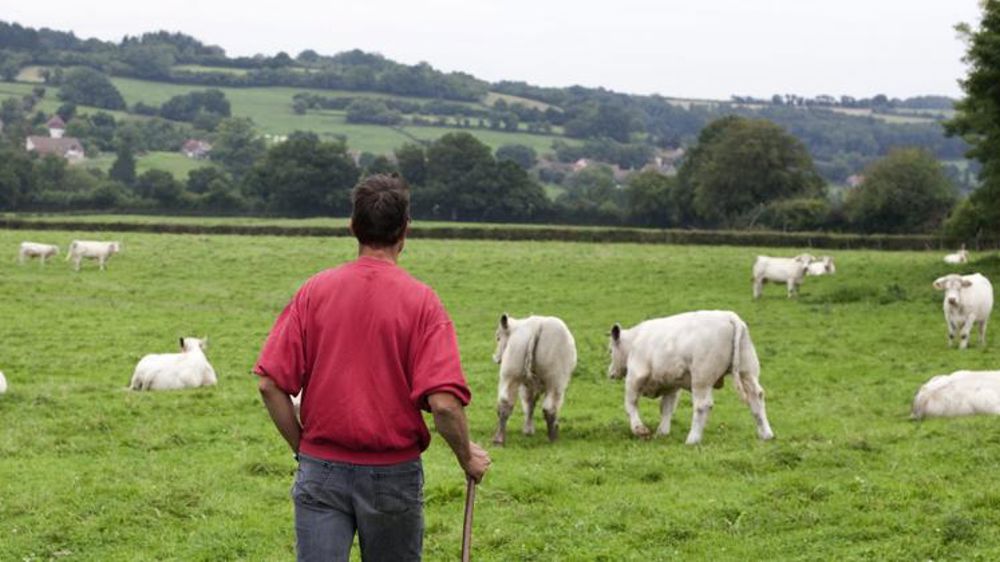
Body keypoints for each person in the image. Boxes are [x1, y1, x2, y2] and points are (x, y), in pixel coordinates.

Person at [253, 173, 490, 561]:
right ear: (405, 231)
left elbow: (269, 384)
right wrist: (467, 456)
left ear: (352, 226)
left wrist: (305, 450)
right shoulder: (423, 303)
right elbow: (445, 405)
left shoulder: (314, 292)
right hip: (392, 475)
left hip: (321, 470)